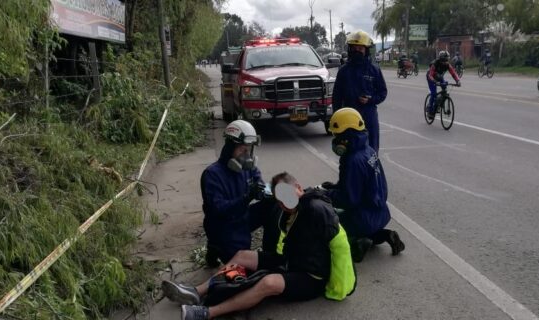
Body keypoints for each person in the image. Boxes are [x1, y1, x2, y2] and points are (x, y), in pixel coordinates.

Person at [163, 172, 355, 320]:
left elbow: (341, 246)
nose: (283, 203)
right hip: (292, 261)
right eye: (280, 199)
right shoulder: (291, 211)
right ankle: (197, 291)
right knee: (242, 256)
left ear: (297, 187)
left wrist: (339, 288)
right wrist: (274, 261)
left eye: (286, 194)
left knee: (268, 283)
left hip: (312, 277)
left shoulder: (316, 209)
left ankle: (207, 312)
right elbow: (285, 240)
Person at [323, 108, 405, 263]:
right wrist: (334, 187)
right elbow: (359, 185)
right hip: (380, 213)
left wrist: (325, 195)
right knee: (364, 226)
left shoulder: (352, 159)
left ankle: (357, 244)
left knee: (328, 224)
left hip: (363, 218)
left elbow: (348, 199)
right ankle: (386, 235)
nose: (335, 138)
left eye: (336, 134)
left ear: (346, 134)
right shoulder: (367, 150)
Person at [200, 120, 270, 267]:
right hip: (223, 226)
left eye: (249, 150)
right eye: (242, 150)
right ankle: (215, 247)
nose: (246, 155)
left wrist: (265, 191)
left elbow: (261, 183)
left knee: (273, 205)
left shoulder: (248, 168)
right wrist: (246, 197)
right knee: (242, 268)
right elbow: (219, 210)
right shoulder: (212, 175)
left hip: (242, 217)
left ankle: (271, 252)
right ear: (229, 148)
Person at [332, 30, 387, 153]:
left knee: (372, 150)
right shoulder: (344, 71)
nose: (357, 50)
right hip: (348, 117)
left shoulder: (374, 70)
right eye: (354, 48)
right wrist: (336, 118)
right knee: (348, 150)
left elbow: (382, 92)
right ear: (350, 49)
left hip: (369, 116)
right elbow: (336, 96)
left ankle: (371, 172)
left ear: (366, 50)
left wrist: (370, 99)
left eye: (360, 48)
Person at [426, 51, 461, 121]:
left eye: (447, 60)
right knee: (433, 93)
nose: (446, 62)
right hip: (431, 78)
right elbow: (430, 75)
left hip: (439, 77)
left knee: (444, 88)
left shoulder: (447, 65)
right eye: (445, 60)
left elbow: (453, 73)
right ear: (441, 59)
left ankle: (439, 103)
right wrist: (434, 81)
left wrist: (458, 81)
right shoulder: (435, 64)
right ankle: (430, 109)